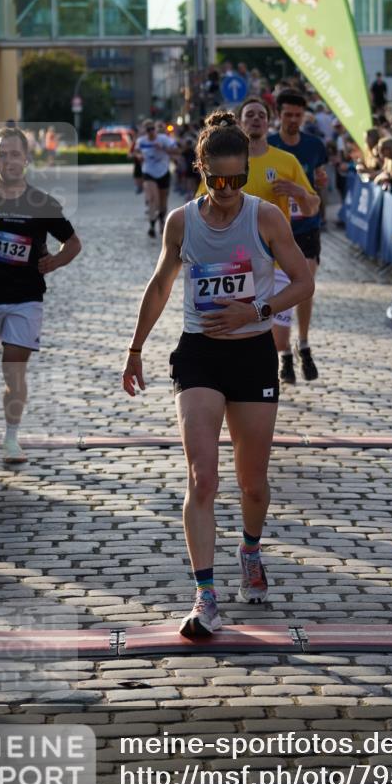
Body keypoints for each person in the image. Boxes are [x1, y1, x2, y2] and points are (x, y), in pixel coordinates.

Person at [122, 112, 313, 638]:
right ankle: (205, 595)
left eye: (235, 179)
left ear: (246, 170)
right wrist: (136, 347)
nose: (226, 191)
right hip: (199, 355)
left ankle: (250, 548)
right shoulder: (181, 222)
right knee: (202, 476)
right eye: (216, 180)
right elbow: (161, 285)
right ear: (199, 169)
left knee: (253, 484)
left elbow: (302, 282)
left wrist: (255, 313)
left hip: (252, 355)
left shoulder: (266, 218)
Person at [0, 126, 82, 463]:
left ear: (26, 158)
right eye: (2, 154)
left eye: (14, 153)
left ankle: (11, 439)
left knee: (15, 371)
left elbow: (73, 243)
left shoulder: (41, 202)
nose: (9, 160)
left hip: (26, 298)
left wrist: (55, 262)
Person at [268, 91, 329, 382]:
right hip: (276, 232)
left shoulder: (314, 145)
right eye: (288, 115)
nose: (293, 120)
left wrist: (315, 186)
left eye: (298, 115)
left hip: (306, 227)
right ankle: (284, 352)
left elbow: (320, 182)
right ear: (278, 114)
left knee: (305, 286)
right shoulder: (267, 146)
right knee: (279, 294)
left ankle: (302, 343)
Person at [134, 119, 179, 238]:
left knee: (163, 202)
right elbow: (136, 152)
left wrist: (163, 148)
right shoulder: (141, 141)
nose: (150, 132)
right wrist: (139, 157)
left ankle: (162, 221)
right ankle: (152, 226)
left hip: (163, 172)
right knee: (153, 198)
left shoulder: (164, 139)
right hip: (148, 172)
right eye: (147, 129)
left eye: (152, 129)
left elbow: (177, 151)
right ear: (145, 131)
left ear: (155, 129)